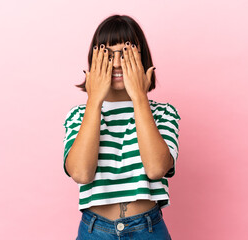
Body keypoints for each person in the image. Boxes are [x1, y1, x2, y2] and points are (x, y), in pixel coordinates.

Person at [63, 14, 181, 240]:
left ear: (142, 58)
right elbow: (81, 173)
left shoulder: (164, 113)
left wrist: (139, 96)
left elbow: (156, 169)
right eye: (106, 54)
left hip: (148, 230)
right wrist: (94, 99)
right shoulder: (78, 115)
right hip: (94, 231)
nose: (116, 62)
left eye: (126, 53)